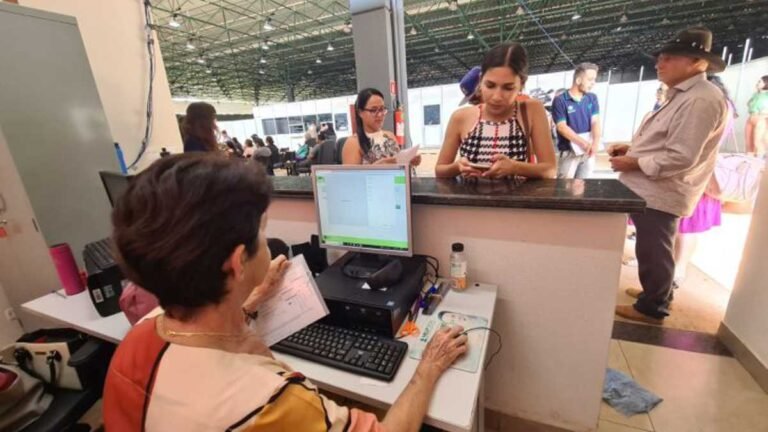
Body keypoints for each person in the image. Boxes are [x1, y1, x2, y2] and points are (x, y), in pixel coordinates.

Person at [103, 154, 468, 431]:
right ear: (237, 263)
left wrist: (250, 301)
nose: (268, 242)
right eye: (262, 232)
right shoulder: (270, 402)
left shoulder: (138, 339)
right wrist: (428, 367)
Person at [609, 27, 727, 324]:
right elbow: (667, 141)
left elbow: (681, 156)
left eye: (670, 58)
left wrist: (634, 162)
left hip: (663, 190)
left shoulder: (700, 99)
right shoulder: (686, 95)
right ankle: (657, 293)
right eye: (660, 58)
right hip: (654, 189)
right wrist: (633, 149)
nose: (660, 64)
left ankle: (653, 306)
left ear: (698, 62)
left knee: (654, 248)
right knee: (651, 246)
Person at [434, 43, 556, 179]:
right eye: (490, 85)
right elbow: (440, 170)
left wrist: (515, 167)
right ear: (480, 80)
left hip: (516, 193)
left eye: (508, 88)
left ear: (521, 84)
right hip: (469, 193)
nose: (497, 96)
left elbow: (550, 170)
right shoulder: (460, 117)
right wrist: (457, 167)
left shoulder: (531, 110)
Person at [668, 75, 737, 286]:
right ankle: (676, 270)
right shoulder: (725, 107)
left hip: (696, 176)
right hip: (700, 175)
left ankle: (677, 272)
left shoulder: (710, 106)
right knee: (683, 228)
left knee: (686, 227)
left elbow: (691, 146)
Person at [342, 88, 421, 166]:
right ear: (360, 112)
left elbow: (400, 166)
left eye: (382, 109)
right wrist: (378, 167)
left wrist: (409, 161)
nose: (380, 114)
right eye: (373, 110)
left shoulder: (389, 136)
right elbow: (351, 174)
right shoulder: (353, 143)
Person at [552, 62, 601, 179]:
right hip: (570, 152)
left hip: (588, 151)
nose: (593, 83)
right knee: (564, 186)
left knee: (583, 184)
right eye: (590, 79)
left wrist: (595, 142)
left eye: (594, 79)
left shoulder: (592, 98)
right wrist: (583, 143)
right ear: (578, 80)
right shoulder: (560, 100)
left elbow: (595, 121)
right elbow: (562, 127)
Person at [745, 75, 768, 156]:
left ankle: (759, 157)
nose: (757, 83)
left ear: (766, 83)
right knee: (748, 140)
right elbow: (748, 103)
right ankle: (749, 156)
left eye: (760, 81)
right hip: (751, 117)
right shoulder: (755, 94)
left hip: (761, 118)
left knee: (758, 141)